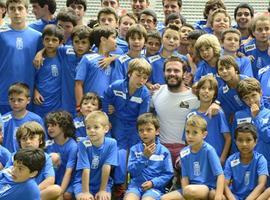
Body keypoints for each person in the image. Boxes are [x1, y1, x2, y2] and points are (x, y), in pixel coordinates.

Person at [103, 58, 151, 196]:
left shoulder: (145, 93)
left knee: (133, 156)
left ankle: (128, 185)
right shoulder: (117, 85)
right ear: (129, 73)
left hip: (134, 128)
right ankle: (118, 185)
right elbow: (105, 97)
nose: (141, 80)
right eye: (138, 75)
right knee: (119, 153)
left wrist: (141, 134)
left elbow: (143, 118)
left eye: (145, 77)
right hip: (116, 124)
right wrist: (107, 111)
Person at [161, 115, 225, 200]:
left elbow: (220, 175)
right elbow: (184, 177)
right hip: (189, 189)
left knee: (191, 191)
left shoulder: (209, 150)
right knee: (163, 198)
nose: (190, 136)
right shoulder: (183, 152)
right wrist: (186, 196)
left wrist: (218, 196)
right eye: (187, 132)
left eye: (195, 132)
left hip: (207, 188)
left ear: (204, 134)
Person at [151, 56, 199, 166]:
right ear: (163, 73)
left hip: (186, 148)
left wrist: (216, 103)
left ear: (184, 74)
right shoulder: (156, 93)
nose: (172, 73)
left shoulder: (195, 97)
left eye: (176, 70)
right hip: (161, 149)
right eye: (168, 70)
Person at [0, 0, 42, 114]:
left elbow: (42, 66)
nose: (16, 12)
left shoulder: (38, 36)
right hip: (4, 94)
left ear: (27, 11)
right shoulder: (1, 34)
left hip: (27, 95)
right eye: (12, 9)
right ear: (7, 12)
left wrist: (37, 88)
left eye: (20, 8)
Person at [5, 121, 62, 200]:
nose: (28, 141)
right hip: (16, 192)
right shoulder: (14, 156)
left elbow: (50, 180)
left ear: (40, 140)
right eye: (24, 139)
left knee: (56, 190)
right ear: (19, 142)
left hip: (35, 192)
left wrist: (31, 192)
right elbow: (6, 176)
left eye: (32, 138)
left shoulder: (45, 157)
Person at [124, 113, 174, 200]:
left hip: (155, 188)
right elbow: (131, 170)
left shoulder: (164, 152)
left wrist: (153, 183)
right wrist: (144, 157)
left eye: (149, 129)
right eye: (141, 130)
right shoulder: (134, 149)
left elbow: (168, 174)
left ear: (157, 131)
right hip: (135, 186)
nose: (144, 133)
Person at [186, 75, 231, 165]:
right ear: (198, 91)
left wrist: (222, 158)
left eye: (210, 89)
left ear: (215, 94)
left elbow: (228, 138)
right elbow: (187, 140)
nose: (206, 91)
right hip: (198, 161)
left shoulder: (218, 113)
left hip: (215, 160)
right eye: (203, 88)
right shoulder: (191, 114)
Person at [74, 111, 118, 200]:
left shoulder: (112, 143)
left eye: (96, 127)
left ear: (106, 129)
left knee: (104, 197)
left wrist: (102, 190)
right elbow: (85, 168)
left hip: (103, 183)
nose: (92, 130)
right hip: (82, 183)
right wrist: (86, 192)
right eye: (88, 128)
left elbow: (107, 166)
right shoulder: (83, 143)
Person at [233, 78, 270, 184]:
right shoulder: (239, 115)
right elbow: (235, 142)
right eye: (246, 98)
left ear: (261, 92)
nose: (251, 101)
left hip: (267, 165)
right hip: (246, 166)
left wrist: (256, 117)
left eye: (254, 95)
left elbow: (267, 137)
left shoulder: (268, 113)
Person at [75, 25, 117, 106]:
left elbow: (128, 57)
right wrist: (79, 106)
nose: (116, 41)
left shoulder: (115, 61)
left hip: (107, 106)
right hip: (90, 106)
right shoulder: (88, 58)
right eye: (113, 37)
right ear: (103, 39)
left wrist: (112, 58)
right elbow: (78, 84)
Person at [224, 123, 268, 200]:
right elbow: (224, 184)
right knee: (214, 194)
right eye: (240, 140)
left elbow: (262, 184)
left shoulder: (260, 159)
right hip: (235, 197)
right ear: (235, 141)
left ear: (255, 141)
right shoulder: (231, 160)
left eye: (248, 140)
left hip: (254, 197)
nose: (244, 144)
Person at [33, 24, 64, 119]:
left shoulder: (63, 55)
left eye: (54, 40)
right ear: (42, 40)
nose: (50, 43)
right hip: (40, 102)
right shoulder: (37, 59)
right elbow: (30, 78)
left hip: (57, 104)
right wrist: (34, 91)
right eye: (47, 39)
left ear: (60, 42)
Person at [2, 83, 43, 153]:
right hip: (8, 160)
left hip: (31, 158)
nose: (16, 103)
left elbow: (42, 142)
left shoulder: (36, 119)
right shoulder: (3, 120)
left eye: (20, 100)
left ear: (28, 100)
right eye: (12, 99)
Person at [45, 111, 78, 199]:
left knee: (65, 195)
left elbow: (69, 172)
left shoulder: (72, 146)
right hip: (52, 181)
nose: (49, 128)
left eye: (53, 125)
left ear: (64, 126)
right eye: (48, 125)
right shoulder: (47, 144)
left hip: (69, 181)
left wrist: (60, 192)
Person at [216, 55, 248, 128]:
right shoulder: (222, 91)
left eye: (228, 68)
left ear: (236, 69)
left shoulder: (248, 82)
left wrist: (238, 114)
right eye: (221, 69)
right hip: (237, 126)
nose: (224, 71)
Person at [241, 14, 270, 79]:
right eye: (259, 29)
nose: (264, 32)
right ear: (253, 32)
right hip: (252, 86)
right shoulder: (245, 48)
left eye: (267, 29)